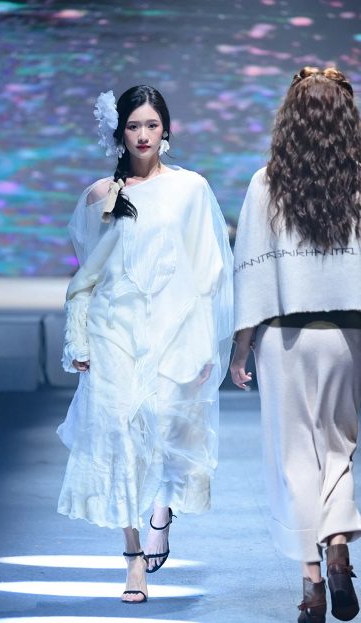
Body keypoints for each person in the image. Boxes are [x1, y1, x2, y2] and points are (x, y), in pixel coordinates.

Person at [57, 85, 233, 603]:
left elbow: (209, 270)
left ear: (166, 131)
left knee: (168, 426)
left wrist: (205, 342)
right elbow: (86, 275)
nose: (142, 135)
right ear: (119, 133)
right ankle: (132, 559)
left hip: (174, 326)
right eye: (133, 125)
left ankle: (162, 511)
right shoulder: (100, 195)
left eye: (151, 125)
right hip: (114, 328)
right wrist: (78, 338)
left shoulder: (191, 189)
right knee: (118, 437)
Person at [231, 66, 361, 623]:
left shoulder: (267, 184)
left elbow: (251, 273)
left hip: (285, 338)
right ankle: (339, 550)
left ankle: (312, 587)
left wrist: (241, 348)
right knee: (338, 449)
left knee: (295, 458)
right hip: (348, 336)